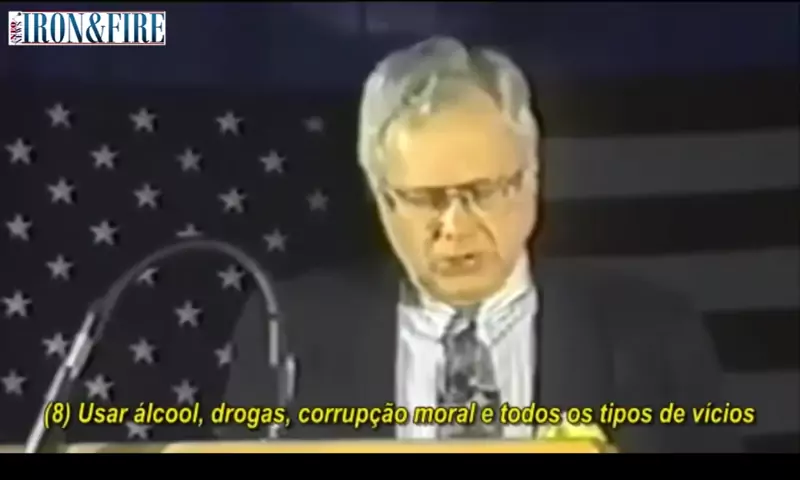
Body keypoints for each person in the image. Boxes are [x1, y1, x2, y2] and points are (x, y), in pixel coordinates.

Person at [219, 37, 739, 452]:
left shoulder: (650, 332)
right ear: (381, 196)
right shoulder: (290, 332)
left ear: (532, 178)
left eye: (484, 192)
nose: (455, 227)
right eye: (425, 198)